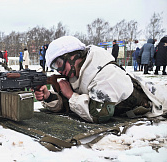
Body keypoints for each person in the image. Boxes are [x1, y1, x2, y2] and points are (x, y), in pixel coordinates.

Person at [34, 36, 166, 123]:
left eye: (59, 63)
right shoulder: (78, 72)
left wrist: (71, 95)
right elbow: (69, 105)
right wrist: (49, 97)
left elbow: (99, 115)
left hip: (158, 102)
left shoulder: (106, 74)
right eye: (55, 67)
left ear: (73, 56)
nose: (59, 70)